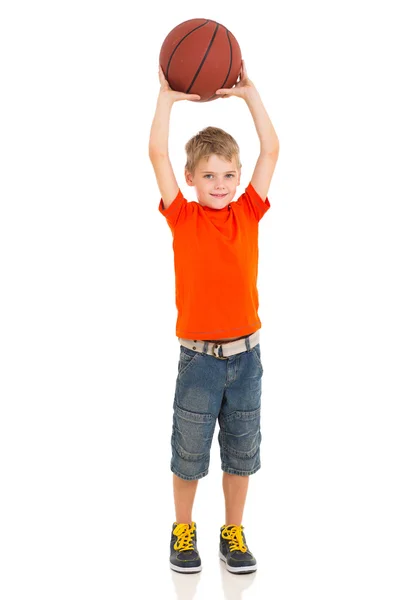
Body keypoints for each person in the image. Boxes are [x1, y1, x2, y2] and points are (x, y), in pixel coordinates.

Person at [148, 60, 279, 575]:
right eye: (209, 176)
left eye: (228, 174)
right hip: (198, 361)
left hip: (247, 357)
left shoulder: (249, 209)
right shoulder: (183, 215)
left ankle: (234, 530)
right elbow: (157, 150)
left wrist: (250, 95)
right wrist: (168, 99)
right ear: (190, 179)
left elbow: (271, 148)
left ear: (239, 176)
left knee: (242, 453)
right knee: (189, 453)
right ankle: (183, 529)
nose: (220, 184)